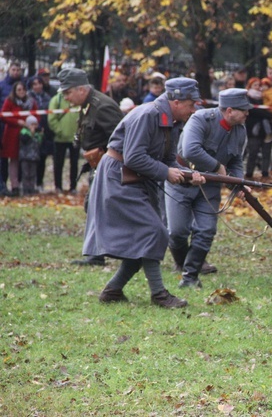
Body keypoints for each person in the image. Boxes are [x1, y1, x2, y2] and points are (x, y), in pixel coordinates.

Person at [85, 77, 204, 308]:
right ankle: (159, 295)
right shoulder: (147, 115)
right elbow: (134, 157)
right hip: (119, 176)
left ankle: (112, 291)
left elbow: (169, 160)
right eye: (192, 104)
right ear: (177, 101)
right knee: (153, 231)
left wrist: (190, 176)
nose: (194, 109)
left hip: (136, 177)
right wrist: (166, 172)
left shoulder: (171, 120)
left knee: (142, 238)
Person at [166, 88, 251, 288]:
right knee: (177, 232)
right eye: (244, 110)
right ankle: (181, 263)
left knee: (206, 230)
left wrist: (238, 184)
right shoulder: (201, 120)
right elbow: (190, 150)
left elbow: (236, 160)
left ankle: (190, 276)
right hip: (182, 179)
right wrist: (217, 167)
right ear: (229, 110)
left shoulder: (240, 129)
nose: (248, 113)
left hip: (210, 185)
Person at [58, 68, 124, 265]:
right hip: (98, 165)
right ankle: (97, 254)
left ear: (80, 89)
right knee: (94, 206)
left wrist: (106, 157)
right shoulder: (88, 105)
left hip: (109, 165)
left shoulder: (101, 106)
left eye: (67, 92)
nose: (66, 98)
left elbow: (122, 137)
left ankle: (108, 252)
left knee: (103, 207)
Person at [1, 81, 36, 196]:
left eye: (23, 89)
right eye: (19, 90)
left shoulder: (31, 102)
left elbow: (37, 115)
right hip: (12, 135)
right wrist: (17, 122)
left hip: (27, 135)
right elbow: (4, 115)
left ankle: (27, 185)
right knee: (14, 161)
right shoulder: (10, 101)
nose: (21, 92)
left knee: (26, 161)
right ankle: (14, 185)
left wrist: (32, 125)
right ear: (15, 91)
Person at [48, 90, 80, 194]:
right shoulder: (56, 100)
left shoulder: (77, 99)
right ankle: (58, 186)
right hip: (60, 138)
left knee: (74, 164)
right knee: (58, 163)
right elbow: (51, 118)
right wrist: (59, 131)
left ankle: (73, 187)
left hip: (75, 137)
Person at [0, 62, 24, 195]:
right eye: (13, 69)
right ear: (9, 70)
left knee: (18, 159)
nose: (15, 72)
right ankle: (3, 184)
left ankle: (16, 185)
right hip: (4, 127)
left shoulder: (23, 85)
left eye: (18, 70)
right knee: (3, 159)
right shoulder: (2, 86)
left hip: (20, 130)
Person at [244, 78, 272, 179]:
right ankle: (249, 173)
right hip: (253, 131)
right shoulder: (247, 98)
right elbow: (254, 111)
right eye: (255, 85)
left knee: (267, 153)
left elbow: (271, 111)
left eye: (259, 85)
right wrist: (265, 113)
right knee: (253, 152)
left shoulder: (265, 97)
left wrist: (266, 113)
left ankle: (265, 173)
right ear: (250, 86)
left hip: (266, 131)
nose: (258, 87)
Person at [27, 76, 53, 192]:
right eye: (35, 84)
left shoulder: (48, 97)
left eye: (39, 83)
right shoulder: (28, 98)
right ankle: (27, 184)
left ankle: (39, 183)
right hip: (30, 131)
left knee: (42, 158)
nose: (37, 86)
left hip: (44, 131)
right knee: (29, 160)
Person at [19, 115, 42, 195]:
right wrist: (31, 134)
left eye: (35, 125)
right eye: (32, 124)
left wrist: (40, 135)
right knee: (25, 174)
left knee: (32, 174)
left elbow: (39, 143)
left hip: (34, 157)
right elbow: (24, 141)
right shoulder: (24, 132)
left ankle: (31, 189)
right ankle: (25, 190)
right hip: (25, 157)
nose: (33, 127)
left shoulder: (37, 134)